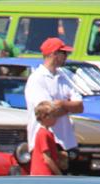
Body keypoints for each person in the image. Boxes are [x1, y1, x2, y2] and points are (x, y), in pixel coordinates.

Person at [24, 37, 82, 168]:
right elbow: (47, 112)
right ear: (53, 54)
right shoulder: (37, 78)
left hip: (67, 142)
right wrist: (68, 106)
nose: (66, 56)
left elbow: (80, 106)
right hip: (45, 144)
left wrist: (61, 104)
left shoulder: (64, 76)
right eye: (64, 53)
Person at [30, 102, 63, 176]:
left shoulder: (47, 133)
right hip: (43, 173)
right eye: (53, 116)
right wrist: (58, 173)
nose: (56, 118)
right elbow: (47, 158)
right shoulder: (43, 134)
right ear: (44, 117)